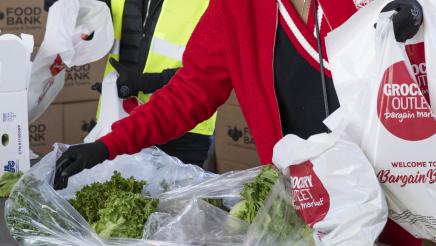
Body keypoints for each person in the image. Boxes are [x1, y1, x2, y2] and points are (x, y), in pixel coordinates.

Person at [53, 0, 424, 245]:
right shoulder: (237, 7)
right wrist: (107, 145)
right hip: (305, 208)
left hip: (401, 205)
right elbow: (192, 90)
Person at [44, 0, 216, 167]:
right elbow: (91, 18)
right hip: (116, 118)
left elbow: (213, 69)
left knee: (170, 195)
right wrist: (72, 11)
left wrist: (147, 82)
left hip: (181, 127)